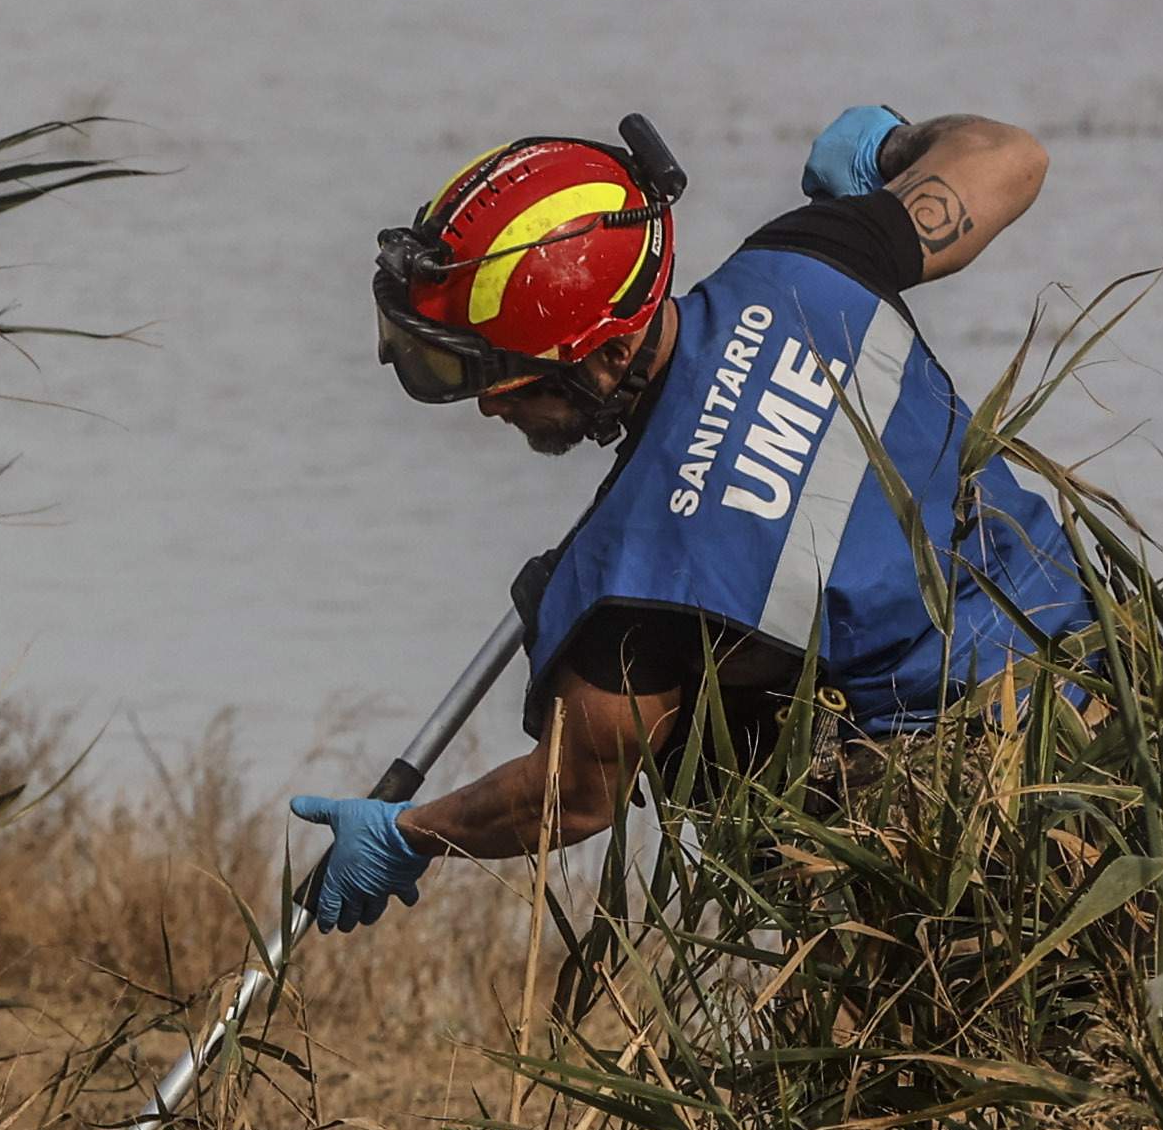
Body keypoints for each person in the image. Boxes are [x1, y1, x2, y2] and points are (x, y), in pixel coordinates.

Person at [290, 103, 1097, 932]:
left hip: (947, 825)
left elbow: (574, 795)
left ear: (604, 352)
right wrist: (892, 149)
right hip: (1099, 710)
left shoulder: (641, 578)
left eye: (507, 384)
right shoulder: (810, 260)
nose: (490, 411)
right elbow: (1010, 154)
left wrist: (412, 833)